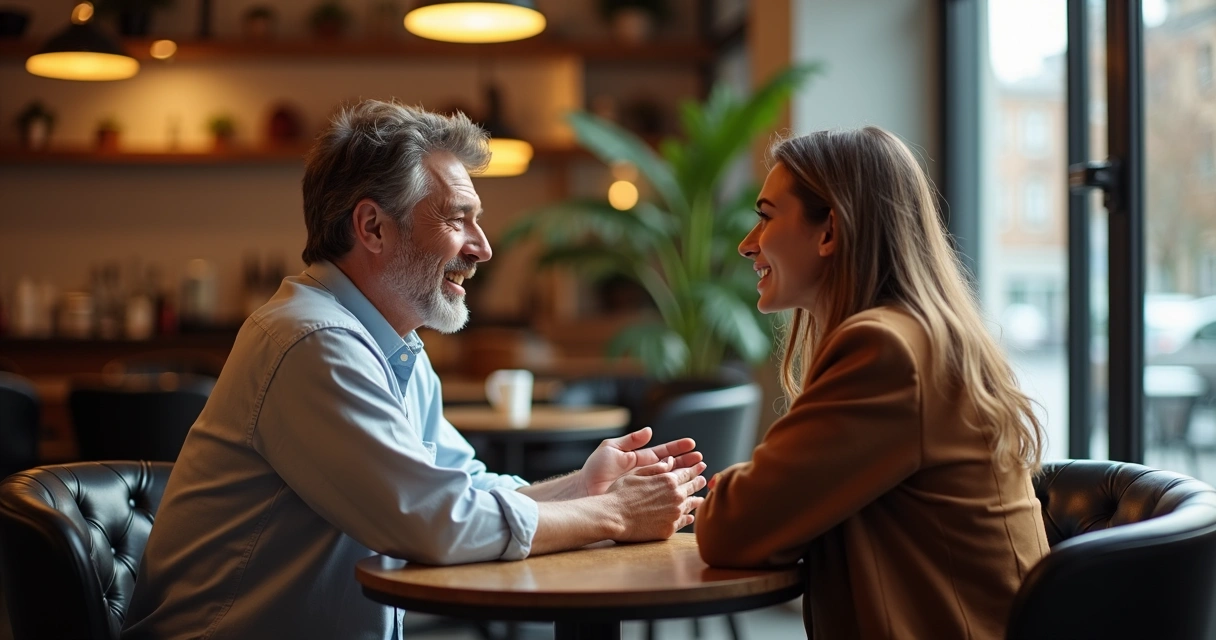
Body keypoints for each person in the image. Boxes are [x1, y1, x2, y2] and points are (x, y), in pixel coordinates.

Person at [123, 100, 706, 640]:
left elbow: (460, 491)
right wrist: (611, 513)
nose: (483, 248)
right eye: (459, 220)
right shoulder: (312, 341)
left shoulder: (392, 345)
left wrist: (583, 485)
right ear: (372, 227)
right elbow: (436, 523)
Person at [695, 127, 1049, 639]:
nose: (747, 245)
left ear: (829, 231)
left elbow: (731, 528)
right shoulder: (917, 335)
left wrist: (717, 494)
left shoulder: (886, 350)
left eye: (766, 217)